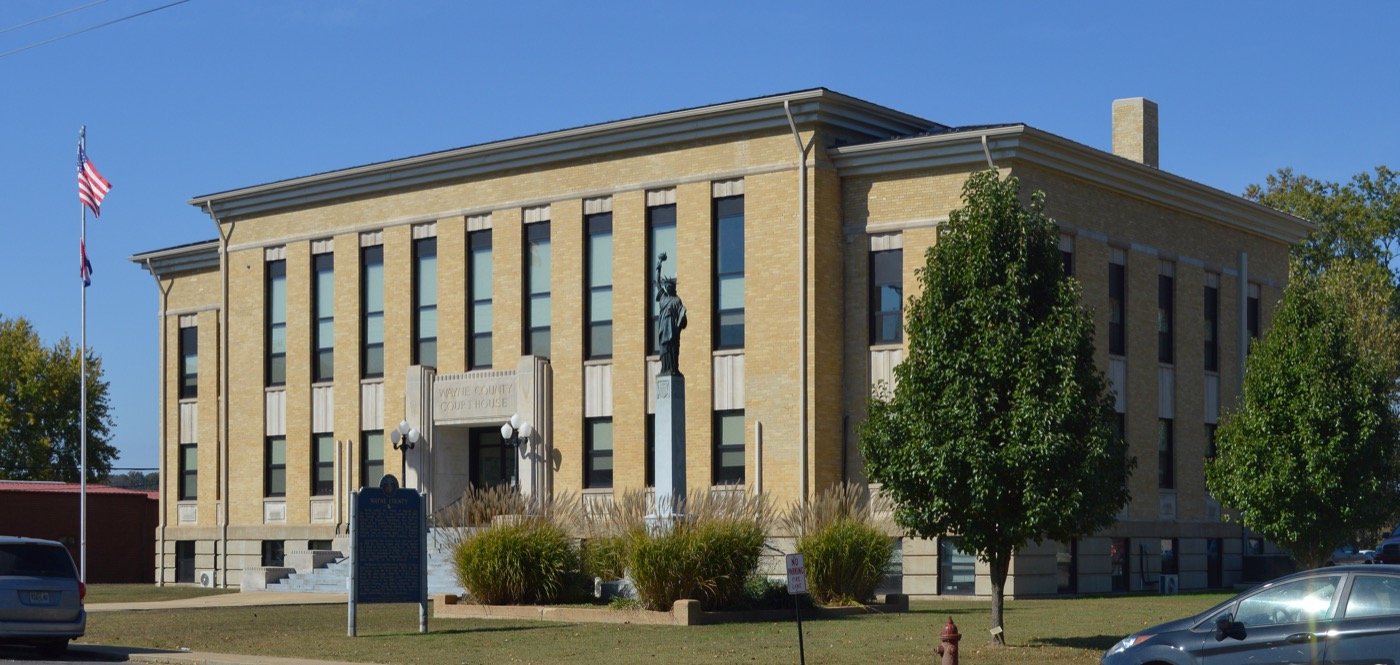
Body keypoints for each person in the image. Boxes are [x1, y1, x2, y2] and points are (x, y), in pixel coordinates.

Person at [655, 253, 686, 375]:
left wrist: (682, 320)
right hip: (663, 328)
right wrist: (659, 268)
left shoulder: (677, 300)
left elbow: (683, 318)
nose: (667, 287)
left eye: (669, 286)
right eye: (666, 286)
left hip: (673, 329)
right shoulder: (663, 297)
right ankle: (664, 369)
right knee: (664, 349)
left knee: (673, 349)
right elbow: (657, 283)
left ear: (673, 288)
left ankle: (673, 368)